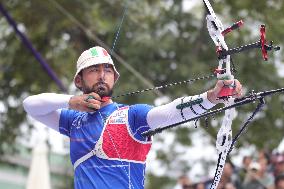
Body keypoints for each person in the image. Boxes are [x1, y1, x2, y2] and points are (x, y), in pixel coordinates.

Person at [23, 46, 243, 189]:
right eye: (93, 70)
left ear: (114, 78)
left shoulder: (131, 116)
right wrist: (71, 102)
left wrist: (211, 97)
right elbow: (31, 105)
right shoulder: (73, 121)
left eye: (107, 70)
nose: (102, 75)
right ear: (79, 81)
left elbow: (168, 112)